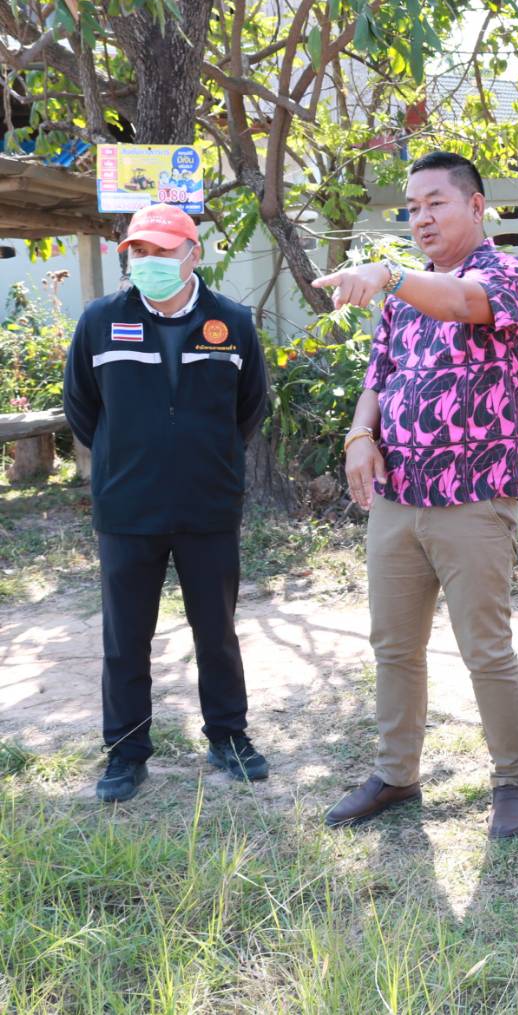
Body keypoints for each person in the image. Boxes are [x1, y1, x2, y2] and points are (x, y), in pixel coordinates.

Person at [312, 151, 518, 838]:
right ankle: (396, 774)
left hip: (473, 497)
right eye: (412, 208)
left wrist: (387, 272)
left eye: (435, 202)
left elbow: (464, 303)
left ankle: (511, 780)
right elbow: (378, 378)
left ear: (476, 205)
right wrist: (360, 435)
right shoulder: (403, 299)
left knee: (485, 648)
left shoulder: (507, 274)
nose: (421, 218)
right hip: (397, 497)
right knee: (394, 645)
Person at [62, 203, 270, 802]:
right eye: (140, 252)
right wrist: (127, 458)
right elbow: (82, 407)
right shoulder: (101, 320)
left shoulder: (232, 321)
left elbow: (249, 406)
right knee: (126, 637)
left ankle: (228, 737)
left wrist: (206, 458)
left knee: (217, 630)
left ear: (193, 254)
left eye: (161, 251)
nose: (148, 261)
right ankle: (126, 753)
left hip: (208, 504)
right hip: (128, 507)